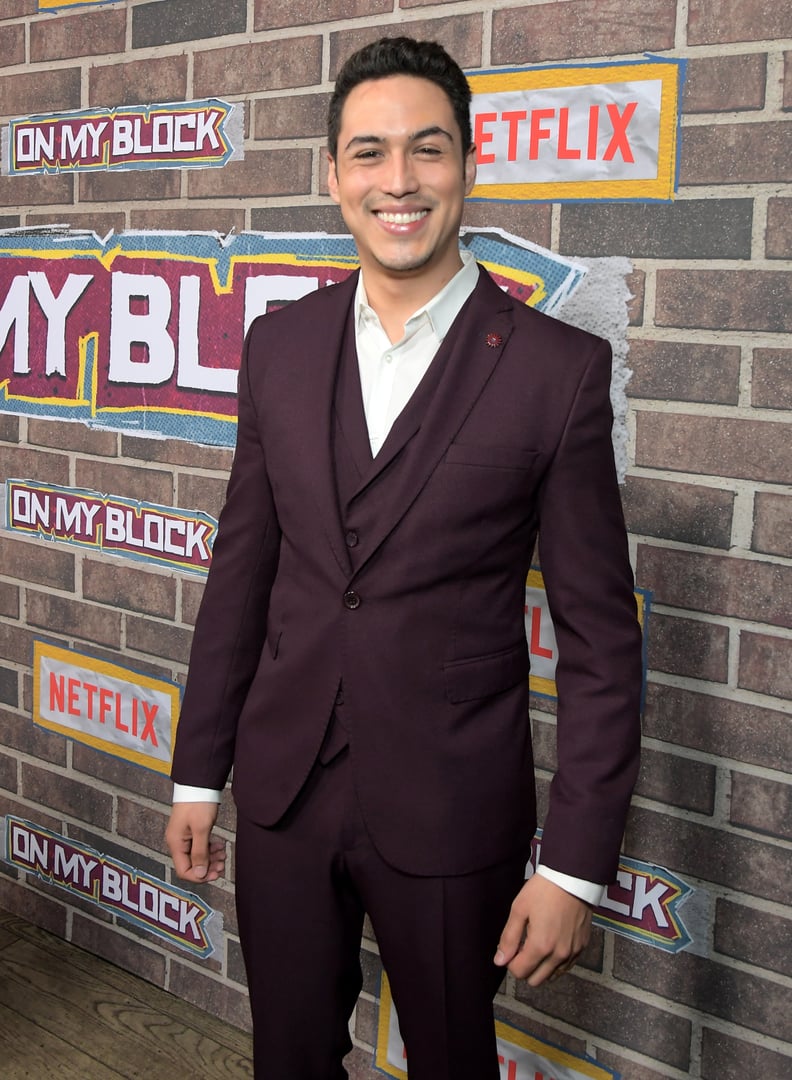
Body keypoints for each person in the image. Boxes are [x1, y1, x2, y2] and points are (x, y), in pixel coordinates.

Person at [166, 36, 642, 1080]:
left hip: (452, 804)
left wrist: (573, 867)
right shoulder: (277, 349)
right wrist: (199, 772)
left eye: (426, 150)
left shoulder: (557, 374)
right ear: (334, 177)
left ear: (468, 166)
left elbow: (605, 644)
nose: (400, 180)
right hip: (283, 792)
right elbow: (240, 577)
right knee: (287, 1060)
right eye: (370, 153)